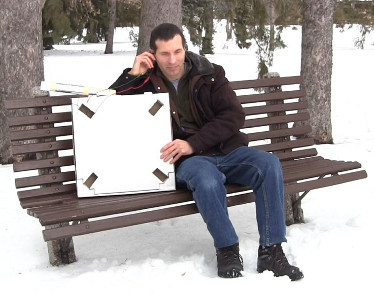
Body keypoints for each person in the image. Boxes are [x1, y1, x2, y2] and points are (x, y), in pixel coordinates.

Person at [110, 23, 304, 281]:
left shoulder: (209, 73)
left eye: (177, 52)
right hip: (188, 161)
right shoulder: (146, 80)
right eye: (165, 54)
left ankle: (271, 251)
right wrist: (133, 75)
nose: (172, 60)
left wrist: (194, 142)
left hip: (226, 150)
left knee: (268, 164)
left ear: (185, 48)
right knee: (207, 180)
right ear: (152, 54)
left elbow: (233, 116)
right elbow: (109, 111)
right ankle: (227, 249)